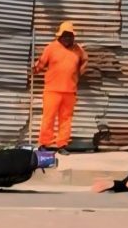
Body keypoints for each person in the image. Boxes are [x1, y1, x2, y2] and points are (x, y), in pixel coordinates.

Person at [33, 21, 88, 155]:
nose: (68, 38)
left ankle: (62, 144)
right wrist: (35, 69)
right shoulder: (51, 48)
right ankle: (45, 144)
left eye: (70, 36)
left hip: (70, 90)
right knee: (48, 118)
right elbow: (41, 64)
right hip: (52, 90)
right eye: (65, 35)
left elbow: (85, 60)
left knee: (66, 119)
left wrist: (79, 72)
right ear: (60, 36)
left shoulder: (78, 49)